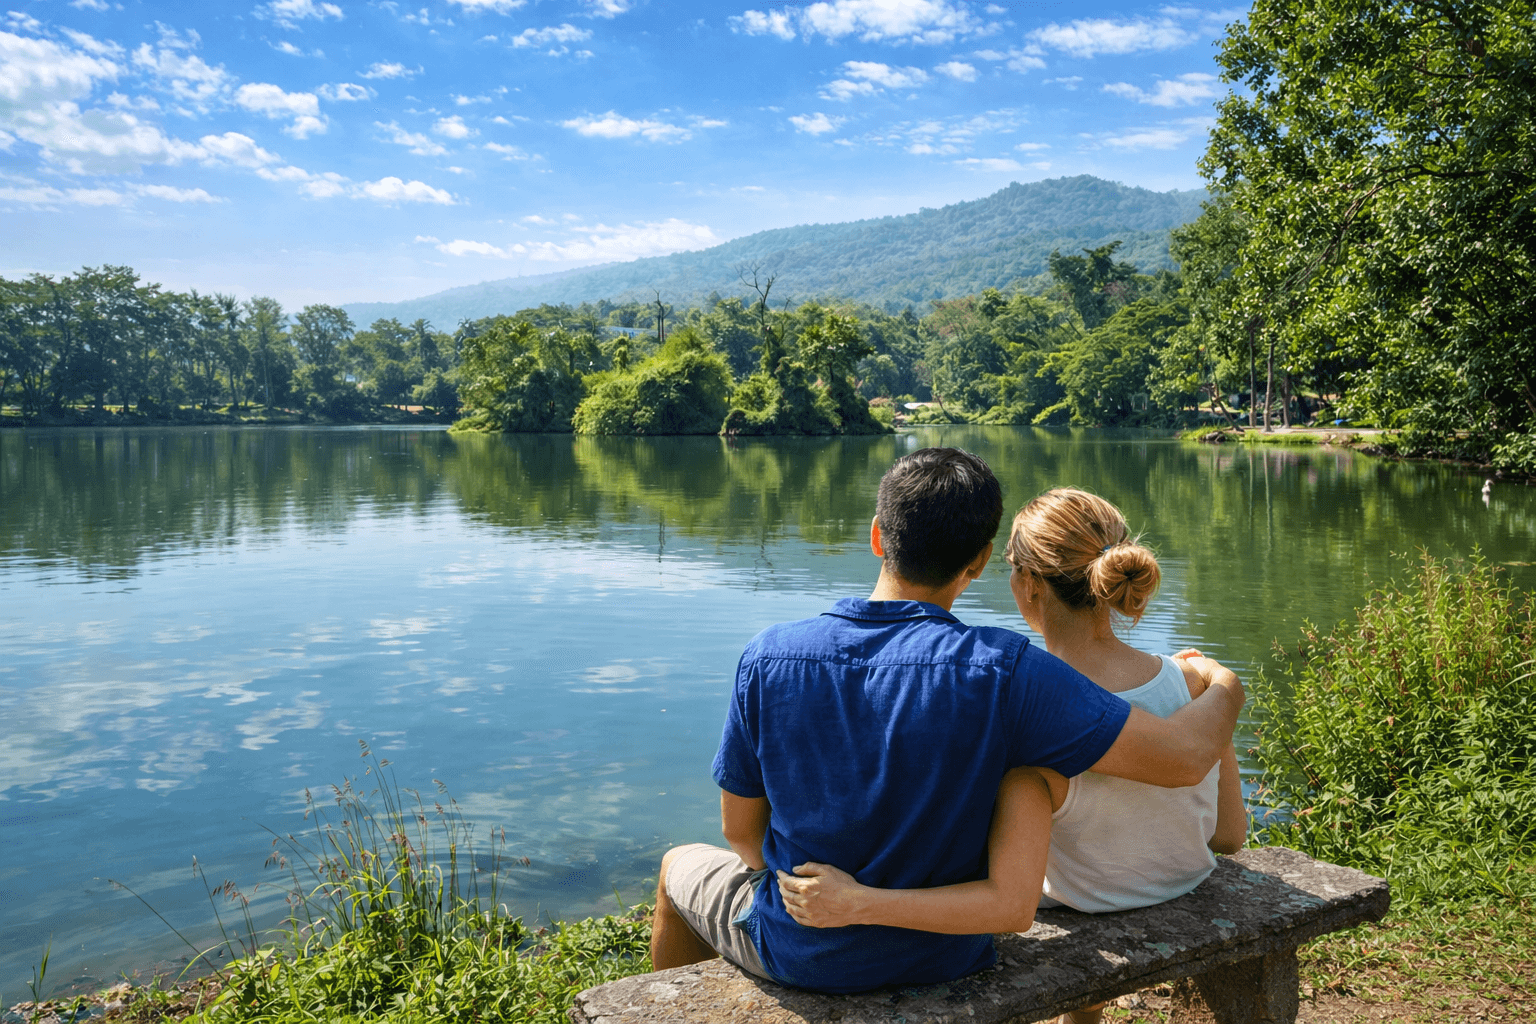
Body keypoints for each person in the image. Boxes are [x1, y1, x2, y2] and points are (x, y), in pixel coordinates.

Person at [649, 448, 1245, 995]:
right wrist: (1223, 681)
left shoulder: (769, 654)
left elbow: (743, 839)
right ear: (981, 560)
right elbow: (1184, 759)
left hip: (804, 943)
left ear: (879, 537)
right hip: (950, 951)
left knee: (680, 866)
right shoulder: (1009, 670)